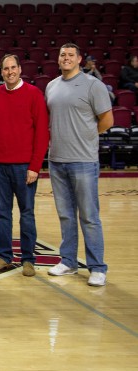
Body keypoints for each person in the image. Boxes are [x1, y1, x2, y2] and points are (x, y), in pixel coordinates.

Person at [45, 43, 113, 287]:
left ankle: (97, 267)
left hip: (84, 160)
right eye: (63, 55)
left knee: (89, 216)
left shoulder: (93, 85)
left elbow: (107, 119)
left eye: (71, 55)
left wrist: (86, 136)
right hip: (56, 160)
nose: (66, 58)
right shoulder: (51, 86)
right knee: (66, 216)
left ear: (79, 59)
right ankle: (69, 261)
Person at [0, 54, 49, 277]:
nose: (9, 72)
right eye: (5, 69)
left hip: (24, 167)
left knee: (27, 214)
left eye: (13, 68)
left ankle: (28, 259)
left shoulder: (33, 94)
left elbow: (42, 133)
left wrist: (35, 166)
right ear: (1, 72)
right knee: (2, 213)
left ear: (20, 69)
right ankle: (4, 256)